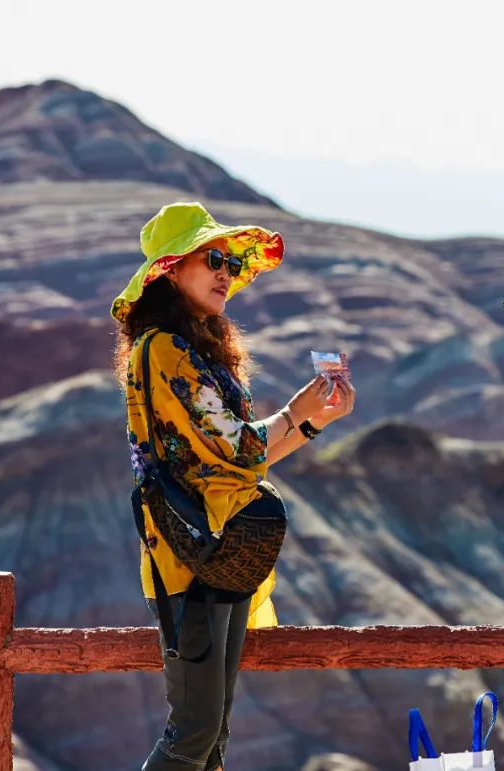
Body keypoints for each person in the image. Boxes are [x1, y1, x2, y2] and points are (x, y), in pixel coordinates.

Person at [111, 201, 356, 770]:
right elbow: (241, 448)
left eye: (229, 261)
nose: (225, 271)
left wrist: (314, 419)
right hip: (188, 554)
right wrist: (297, 412)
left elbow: (243, 464)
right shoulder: (164, 350)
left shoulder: (195, 351)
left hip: (221, 552)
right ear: (170, 272)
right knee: (194, 732)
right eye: (212, 258)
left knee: (212, 734)